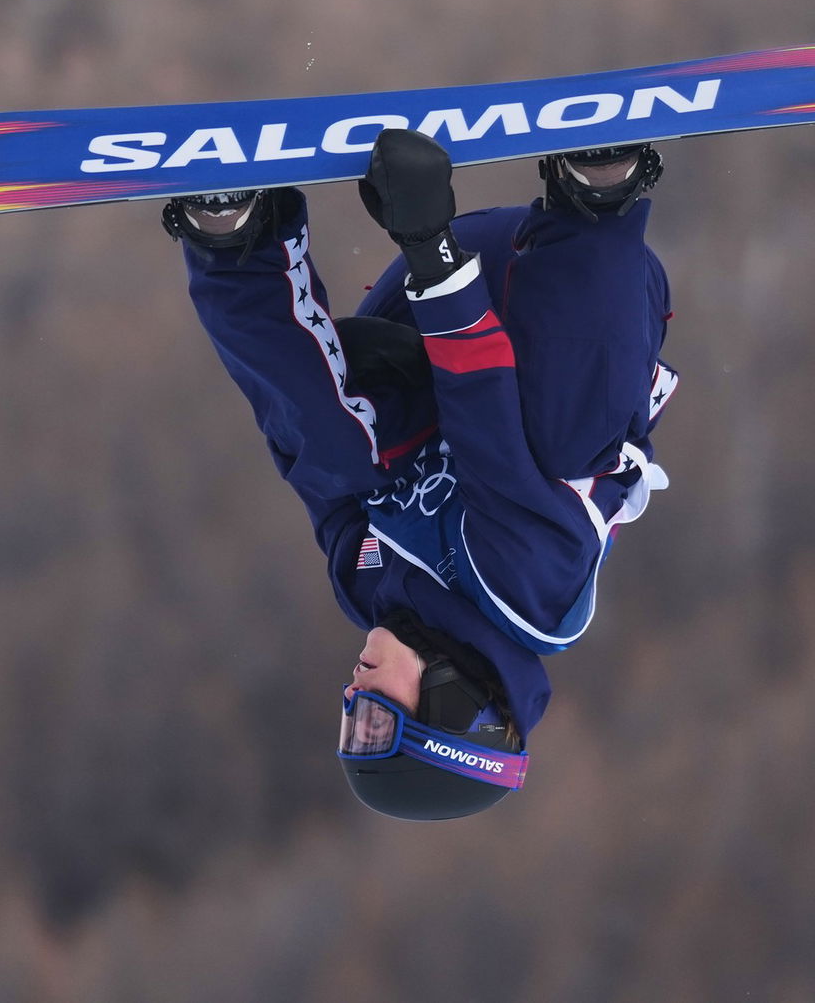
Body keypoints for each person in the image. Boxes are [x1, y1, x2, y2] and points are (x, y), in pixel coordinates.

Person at [162, 129, 676, 820]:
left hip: (424, 310)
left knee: (331, 453)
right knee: (566, 443)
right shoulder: (534, 590)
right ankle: (599, 189)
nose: (352, 698)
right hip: (551, 288)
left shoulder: (367, 584)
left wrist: (421, 253)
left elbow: (304, 448)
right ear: (452, 710)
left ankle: (237, 234)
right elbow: (486, 424)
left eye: (349, 724)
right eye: (375, 723)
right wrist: (430, 248)